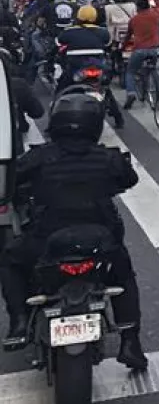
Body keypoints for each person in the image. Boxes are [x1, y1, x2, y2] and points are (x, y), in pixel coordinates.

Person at [0, 89, 148, 370]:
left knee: (9, 260)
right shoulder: (108, 158)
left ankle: (19, 320)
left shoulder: (39, 157)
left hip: (46, 240)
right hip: (100, 241)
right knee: (124, 276)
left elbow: (11, 181)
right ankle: (131, 342)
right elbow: (129, 179)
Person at [57, 5, 124, 129]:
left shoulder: (69, 31)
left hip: (76, 69)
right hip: (98, 67)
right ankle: (118, 118)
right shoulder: (102, 32)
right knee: (106, 91)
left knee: (61, 90)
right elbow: (107, 44)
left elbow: (60, 41)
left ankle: (54, 119)